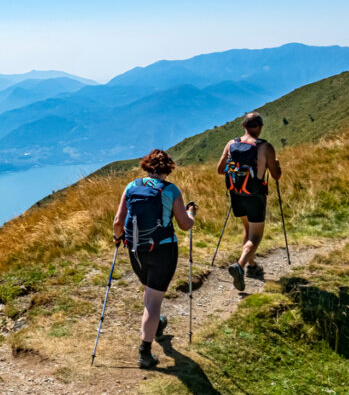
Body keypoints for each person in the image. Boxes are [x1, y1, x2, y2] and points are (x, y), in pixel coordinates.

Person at [112, 149, 197, 369]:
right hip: (163, 251)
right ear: (168, 168)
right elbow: (185, 225)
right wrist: (191, 213)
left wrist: (117, 238)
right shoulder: (171, 190)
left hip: (136, 251)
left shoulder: (132, 186)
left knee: (150, 292)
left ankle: (157, 324)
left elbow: (118, 222)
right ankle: (145, 352)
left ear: (146, 166)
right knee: (153, 301)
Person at [216, 111, 282, 291]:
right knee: (256, 235)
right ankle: (240, 264)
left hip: (236, 194)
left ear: (243, 126)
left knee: (247, 228)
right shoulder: (265, 147)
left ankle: (252, 266)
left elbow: (220, 170)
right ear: (260, 127)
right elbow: (276, 176)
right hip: (255, 195)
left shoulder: (232, 144)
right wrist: (275, 164)